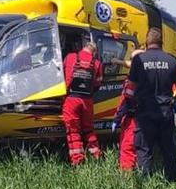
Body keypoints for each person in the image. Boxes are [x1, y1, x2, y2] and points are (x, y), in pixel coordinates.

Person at [127, 28, 176, 182]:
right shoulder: (171, 60)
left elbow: (130, 87)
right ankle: (172, 181)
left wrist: (127, 108)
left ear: (146, 42)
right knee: (169, 148)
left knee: (143, 149)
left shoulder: (139, 60)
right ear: (161, 42)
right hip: (166, 112)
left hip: (144, 111)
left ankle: (144, 184)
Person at [62, 37, 103, 165]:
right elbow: (97, 84)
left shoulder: (70, 57)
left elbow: (63, 75)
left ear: (83, 48)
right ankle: (96, 155)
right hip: (87, 101)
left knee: (73, 130)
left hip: (72, 99)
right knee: (89, 129)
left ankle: (77, 160)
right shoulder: (97, 63)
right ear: (94, 53)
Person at [110, 46, 145, 171]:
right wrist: (118, 61)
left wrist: (117, 119)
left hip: (133, 119)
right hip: (148, 118)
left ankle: (126, 178)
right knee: (143, 148)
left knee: (127, 147)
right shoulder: (149, 74)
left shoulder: (133, 79)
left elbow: (126, 101)